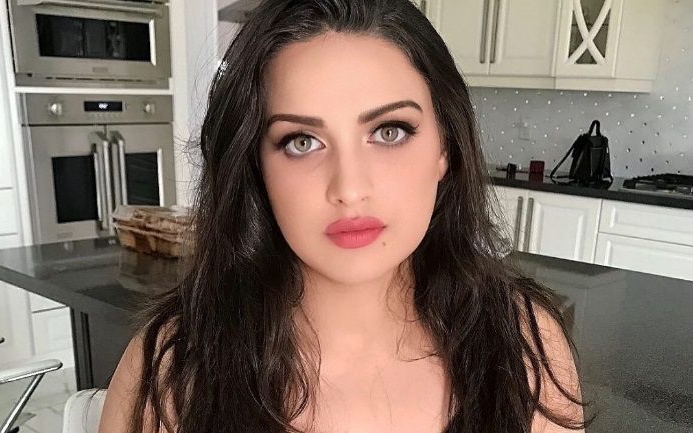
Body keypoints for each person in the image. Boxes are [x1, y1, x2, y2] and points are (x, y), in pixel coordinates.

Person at [99, 0, 586, 432]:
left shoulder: (525, 345)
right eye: (301, 142)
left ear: (446, 147)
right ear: (257, 167)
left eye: (390, 131)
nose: (349, 189)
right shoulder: (173, 372)